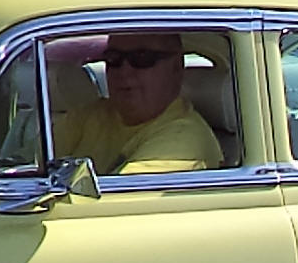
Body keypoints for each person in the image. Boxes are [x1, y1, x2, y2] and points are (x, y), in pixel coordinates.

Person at [53, 32, 221, 174]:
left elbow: (117, 205)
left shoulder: (184, 142)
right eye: (114, 58)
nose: (124, 71)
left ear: (176, 67)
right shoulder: (92, 114)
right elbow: (34, 163)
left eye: (142, 58)